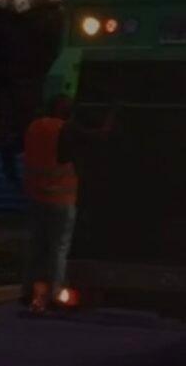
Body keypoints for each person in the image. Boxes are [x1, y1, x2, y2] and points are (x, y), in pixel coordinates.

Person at [22, 95, 116, 312]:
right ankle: (55, 294)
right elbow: (101, 136)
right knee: (58, 249)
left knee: (36, 247)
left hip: (36, 197)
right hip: (60, 200)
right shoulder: (65, 129)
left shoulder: (34, 127)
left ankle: (29, 291)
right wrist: (113, 113)